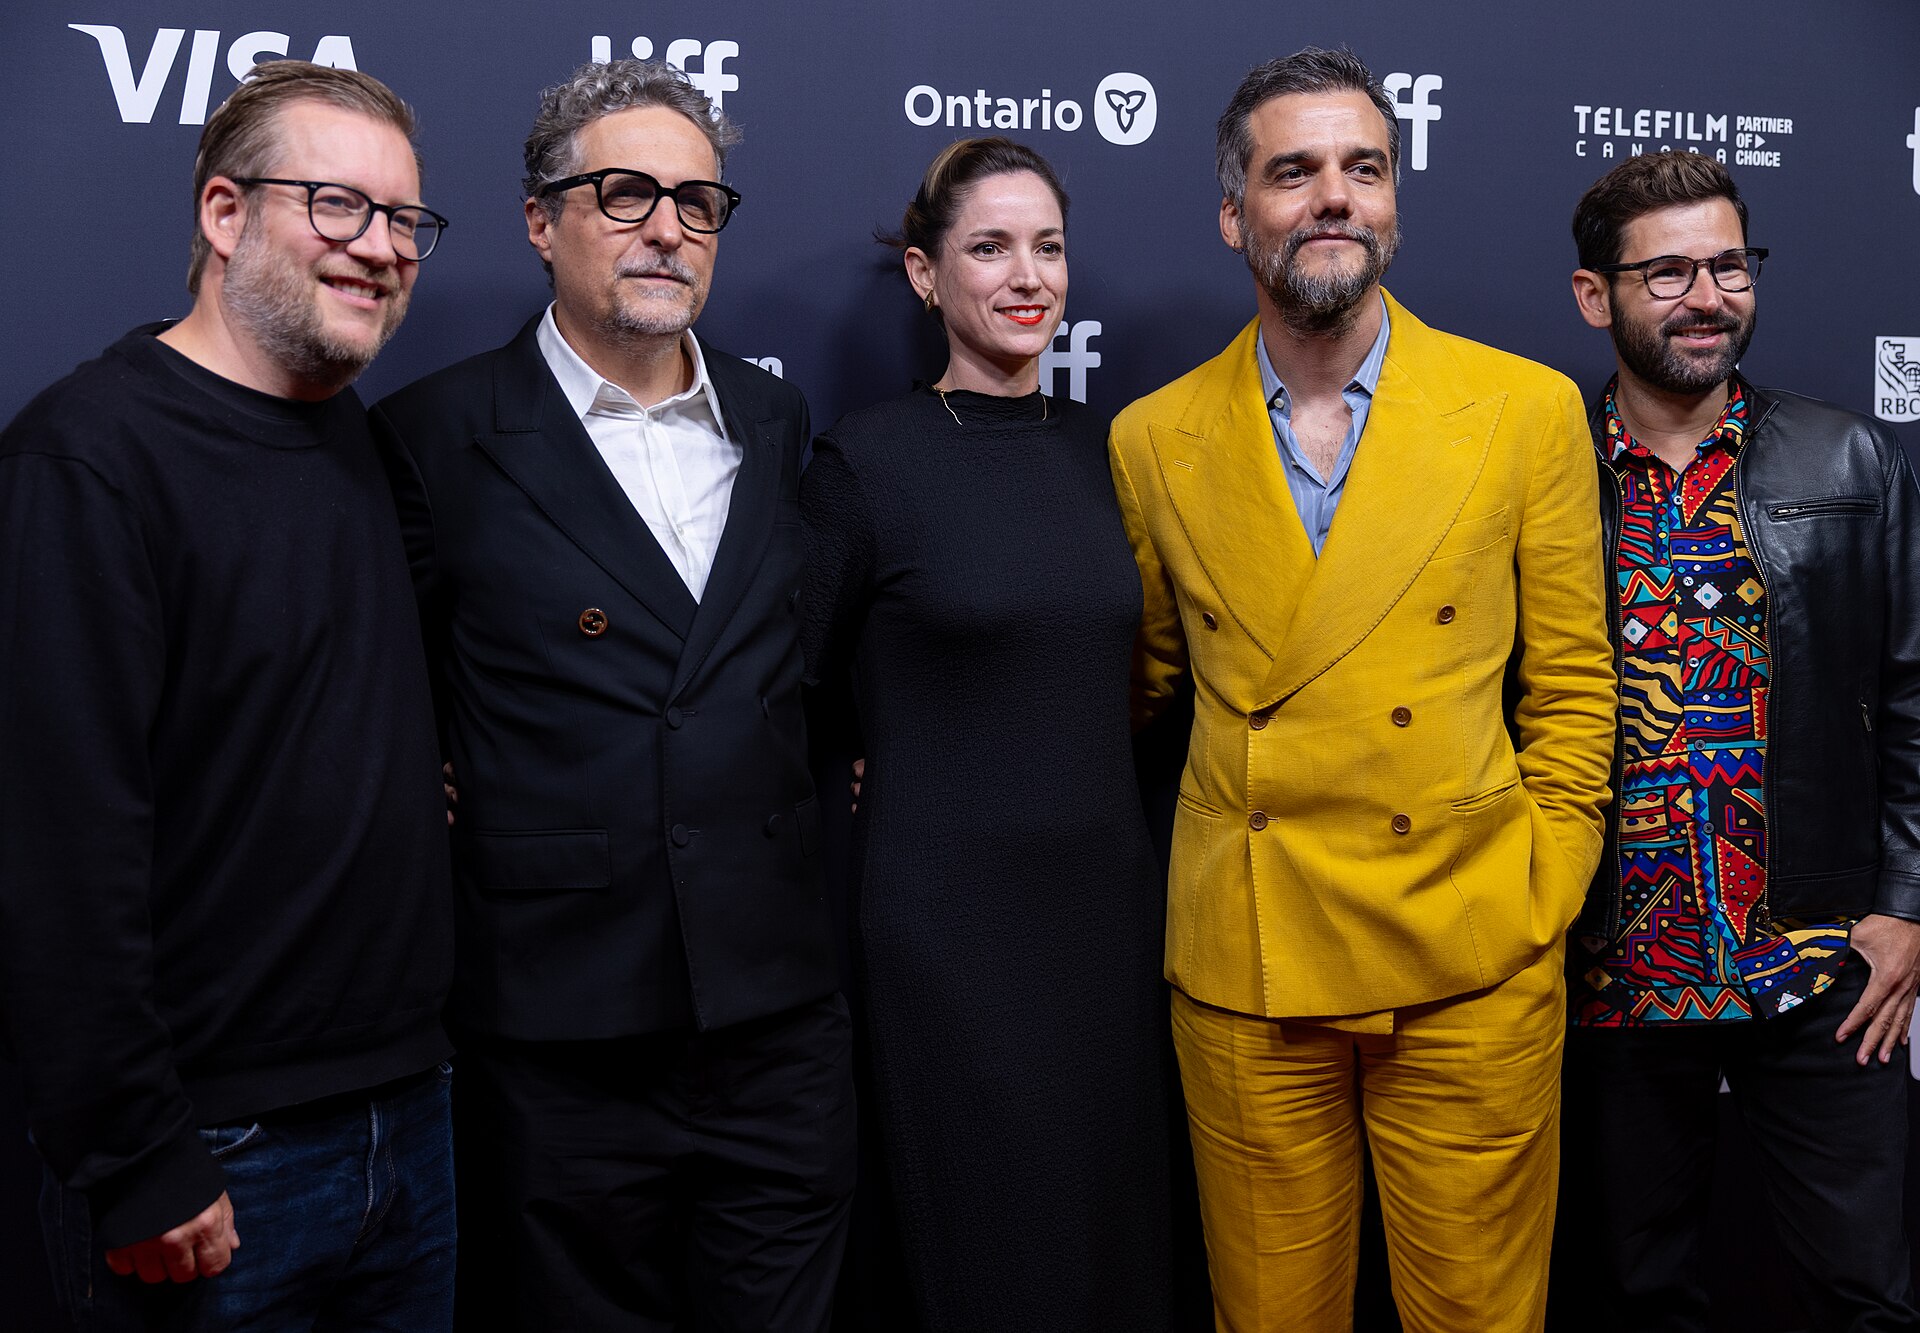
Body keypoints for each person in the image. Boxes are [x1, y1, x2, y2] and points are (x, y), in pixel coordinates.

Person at [1107, 48, 1617, 1332]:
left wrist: (1543, 884)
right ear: (1235, 215)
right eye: (1294, 171)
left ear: (1393, 199)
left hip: (1471, 946)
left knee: (1481, 1316)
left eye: (1364, 168)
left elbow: (1572, 685)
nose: (1335, 195)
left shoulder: (1523, 409)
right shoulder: (1151, 438)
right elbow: (1139, 683)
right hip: (1250, 959)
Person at [370, 60, 852, 1332]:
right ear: (542, 220)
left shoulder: (776, 418)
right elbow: (376, 689)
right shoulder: (432, 435)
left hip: (775, 1020)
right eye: (627, 193)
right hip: (560, 1032)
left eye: (697, 202)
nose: (667, 229)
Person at [0, 60, 456, 1330]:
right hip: (214, 1155)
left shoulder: (362, 441)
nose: (381, 248)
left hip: (412, 1119)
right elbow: (53, 845)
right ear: (223, 212)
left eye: (403, 219)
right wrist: (134, 1150)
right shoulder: (86, 458)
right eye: (337, 205)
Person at [800, 137, 1182, 1332]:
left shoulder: (1111, 451)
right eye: (991, 248)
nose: (1029, 276)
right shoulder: (864, 461)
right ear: (925, 274)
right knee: (982, 1249)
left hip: (1109, 919)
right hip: (945, 935)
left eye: (1049, 247)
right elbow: (787, 680)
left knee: (1109, 1239)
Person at [1553, 150, 1920, 1331]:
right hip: (1610, 973)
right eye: (1667, 273)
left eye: (1729, 265)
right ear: (1595, 295)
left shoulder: (1847, 458)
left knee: (1867, 1297)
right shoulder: (1539, 471)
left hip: (1819, 965)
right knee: (1634, 1299)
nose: (1708, 296)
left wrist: (1905, 904)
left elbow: (1911, 693)